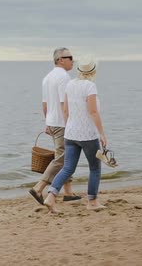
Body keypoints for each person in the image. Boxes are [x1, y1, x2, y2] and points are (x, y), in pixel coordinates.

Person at [43, 59, 107, 213]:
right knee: (95, 168)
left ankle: (50, 197)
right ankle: (92, 201)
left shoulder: (70, 84)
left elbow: (65, 110)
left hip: (70, 133)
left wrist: (69, 126)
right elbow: (93, 112)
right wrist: (102, 134)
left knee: (68, 168)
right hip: (87, 135)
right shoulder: (90, 86)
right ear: (93, 72)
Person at [28, 47, 81, 205]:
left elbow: (44, 104)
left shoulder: (47, 78)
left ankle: (68, 192)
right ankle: (39, 187)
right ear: (60, 60)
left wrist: (47, 123)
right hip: (62, 123)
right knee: (62, 158)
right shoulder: (63, 77)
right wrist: (71, 123)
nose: (72, 60)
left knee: (65, 158)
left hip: (53, 121)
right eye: (69, 57)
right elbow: (64, 103)